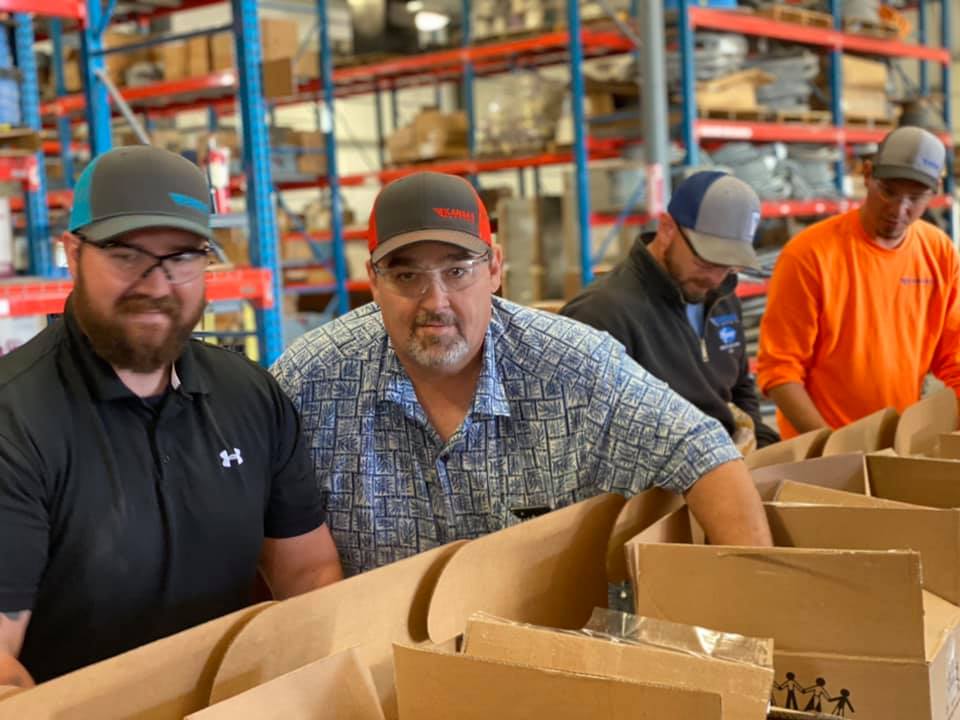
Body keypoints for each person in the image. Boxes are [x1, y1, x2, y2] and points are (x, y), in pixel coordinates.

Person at [273, 171, 772, 579]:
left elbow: (703, 450)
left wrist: (746, 614)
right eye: (406, 276)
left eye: (457, 271)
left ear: (494, 269)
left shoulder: (569, 367)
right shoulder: (310, 382)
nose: (435, 302)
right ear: (374, 282)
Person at [0, 146, 342, 688]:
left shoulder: (250, 396)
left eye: (182, 257)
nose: (157, 285)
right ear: (71, 253)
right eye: (125, 254)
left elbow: (308, 570)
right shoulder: (15, 419)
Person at [757, 126, 960, 438]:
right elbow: (779, 372)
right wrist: (831, 447)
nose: (898, 209)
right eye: (888, 191)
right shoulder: (809, 255)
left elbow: (953, 358)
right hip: (818, 453)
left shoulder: (939, 253)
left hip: (895, 446)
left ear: (935, 193)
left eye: (915, 198)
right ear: (867, 175)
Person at [562, 171, 779, 452]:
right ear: (667, 229)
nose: (715, 279)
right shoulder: (600, 315)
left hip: (724, 470)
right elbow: (581, 440)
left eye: (729, 266)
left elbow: (739, 389)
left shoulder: (721, 297)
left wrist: (762, 448)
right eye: (706, 262)